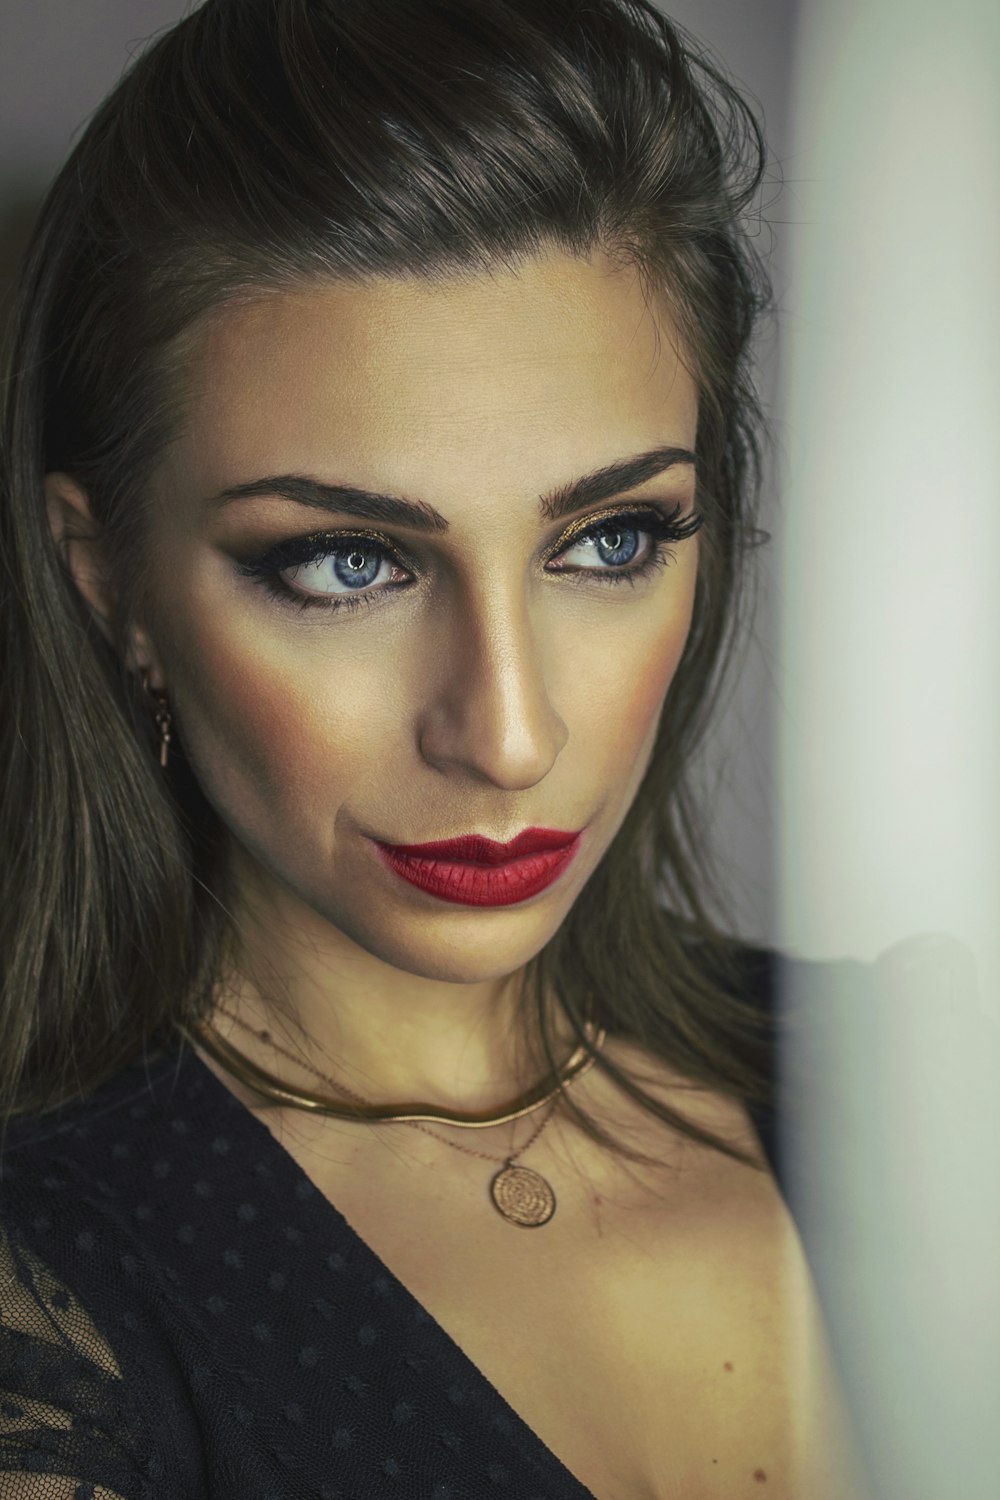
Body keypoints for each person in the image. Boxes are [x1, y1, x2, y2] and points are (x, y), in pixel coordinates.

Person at [0, 1, 875, 1495]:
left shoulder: (923, 1092)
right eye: (350, 564)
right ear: (112, 585)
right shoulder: (55, 1305)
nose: (512, 735)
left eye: (611, 539)